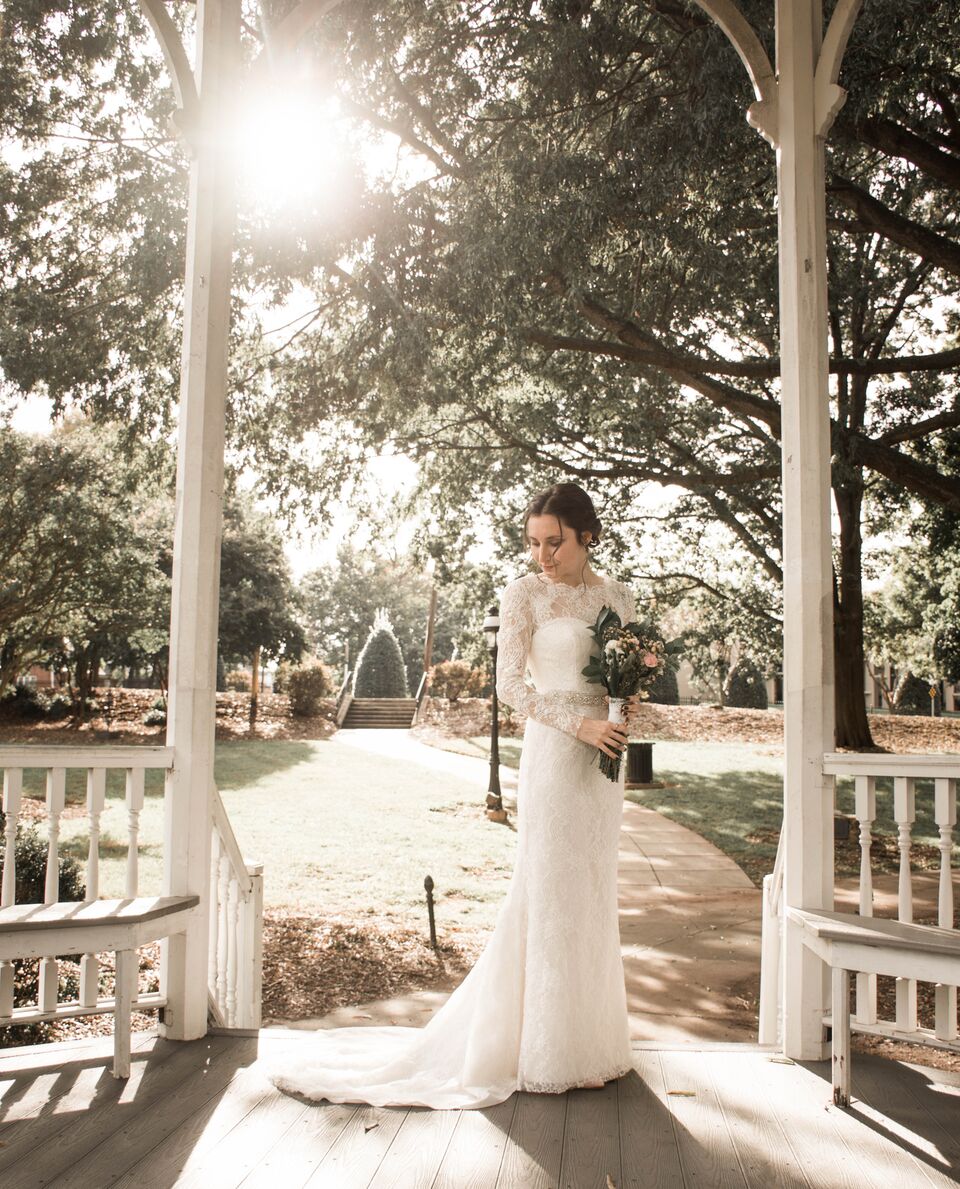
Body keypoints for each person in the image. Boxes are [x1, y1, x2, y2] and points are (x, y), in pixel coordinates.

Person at [267, 481, 639, 1109]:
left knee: (595, 893)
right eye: (533, 543)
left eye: (555, 543)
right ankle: (546, 1050)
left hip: (604, 759)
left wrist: (620, 720)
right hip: (554, 755)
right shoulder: (524, 594)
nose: (542, 556)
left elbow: (630, 673)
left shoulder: (617, 597)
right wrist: (580, 724)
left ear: (587, 537)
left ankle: (592, 1045)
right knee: (549, 894)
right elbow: (515, 690)